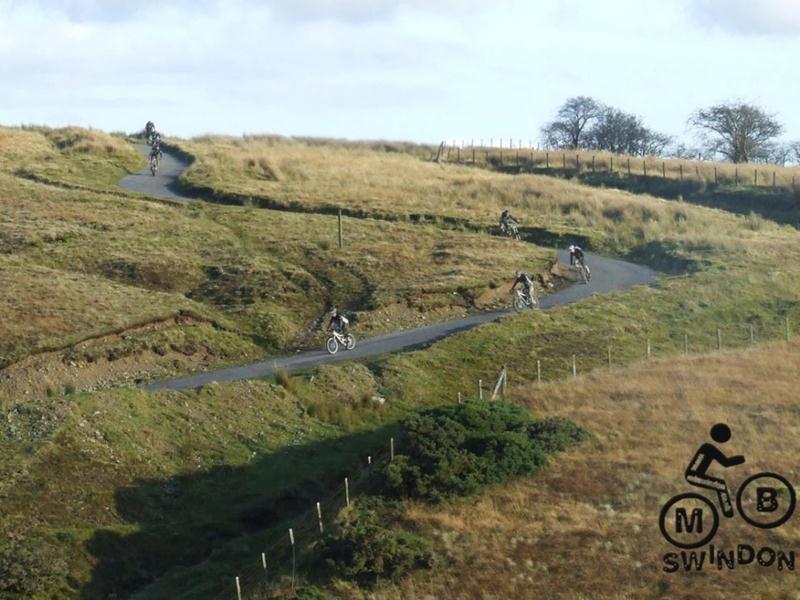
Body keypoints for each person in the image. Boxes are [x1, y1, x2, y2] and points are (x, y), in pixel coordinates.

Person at [684, 423, 745, 518]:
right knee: (720, 485)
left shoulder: (708, 447)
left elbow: (725, 462)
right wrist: (741, 459)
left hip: (694, 475)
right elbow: (726, 462)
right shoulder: (708, 448)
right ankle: (727, 512)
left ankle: (727, 511)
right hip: (693, 476)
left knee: (720, 485)